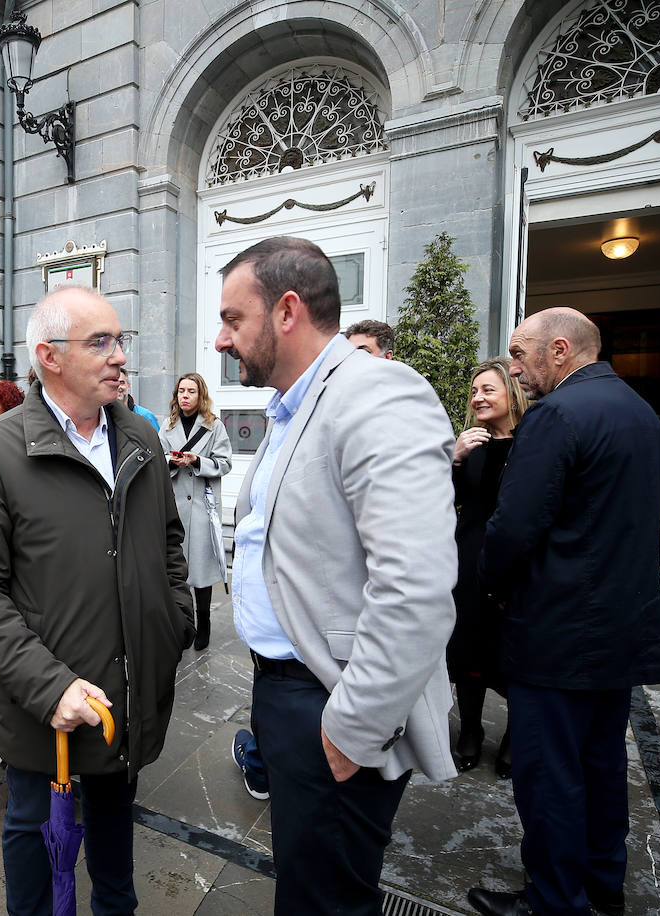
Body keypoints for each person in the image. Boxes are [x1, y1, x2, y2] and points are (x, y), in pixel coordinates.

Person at [215, 236, 457, 915]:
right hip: (284, 692)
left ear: (287, 310)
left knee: (325, 901)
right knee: (306, 882)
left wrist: (352, 727)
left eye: (234, 319)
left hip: (331, 702)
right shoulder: (294, 406)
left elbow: (415, 587)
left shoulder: (377, 393)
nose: (220, 340)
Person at [0, 285, 195, 916]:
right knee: (32, 826)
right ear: (49, 357)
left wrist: (172, 620)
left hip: (131, 686)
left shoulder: (137, 433)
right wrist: (49, 686)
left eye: (120, 341)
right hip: (43, 702)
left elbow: (168, 540)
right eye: (99, 343)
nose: (119, 357)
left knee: (115, 822)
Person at [468, 308, 660, 916]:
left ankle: (556, 900)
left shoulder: (556, 415)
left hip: (559, 630)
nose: (514, 368)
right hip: (621, 628)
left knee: (550, 775)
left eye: (518, 353)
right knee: (603, 766)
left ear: (559, 351)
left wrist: (493, 587)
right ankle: (602, 885)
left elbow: (513, 528)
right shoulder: (641, 414)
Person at [449, 357, 528, 777]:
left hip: (515, 564)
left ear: (511, 395)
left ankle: (517, 735)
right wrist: (456, 458)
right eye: (474, 391)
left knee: (512, 651)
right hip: (468, 560)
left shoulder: (533, 443)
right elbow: (449, 499)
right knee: (467, 648)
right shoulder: (472, 443)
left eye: (488, 390)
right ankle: (471, 731)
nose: (478, 398)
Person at [159, 371, 231, 651]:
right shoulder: (166, 426)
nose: (185, 396)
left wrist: (197, 460)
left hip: (202, 505)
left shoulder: (215, 426)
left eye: (191, 391)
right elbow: (158, 459)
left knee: (200, 572)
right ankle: (180, 623)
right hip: (175, 505)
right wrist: (171, 462)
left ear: (200, 395)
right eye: (181, 391)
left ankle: (205, 624)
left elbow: (224, 463)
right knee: (176, 571)